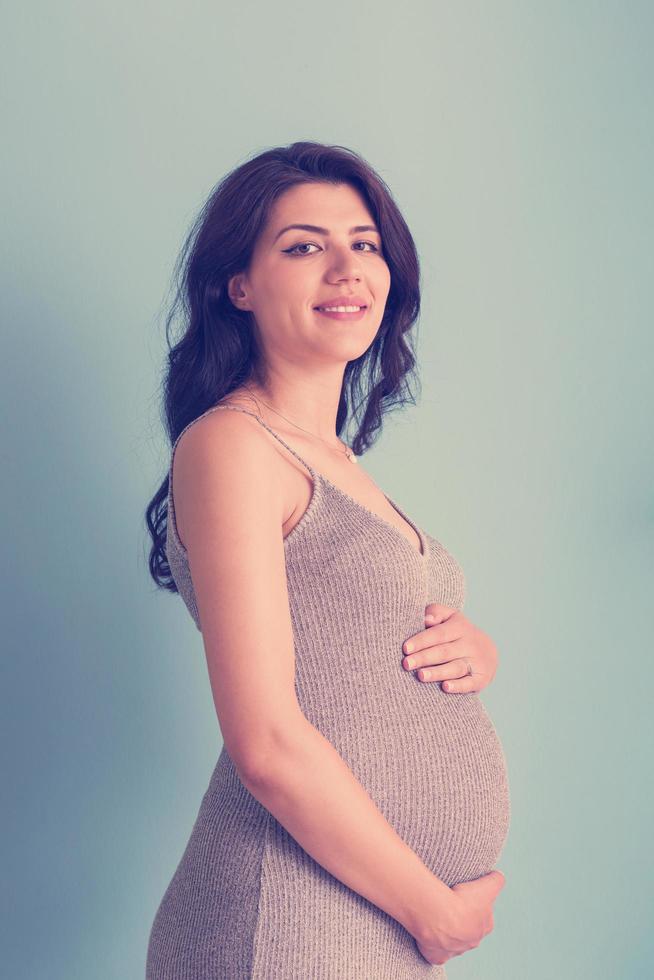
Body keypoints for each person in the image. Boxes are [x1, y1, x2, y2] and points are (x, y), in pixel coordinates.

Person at [144, 140, 510, 978]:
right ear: (237, 285)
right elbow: (267, 743)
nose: (347, 267)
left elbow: (350, 639)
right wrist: (435, 911)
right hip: (288, 917)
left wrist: (474, 653)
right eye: (304, 245)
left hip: (367, 915)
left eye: (366, 243)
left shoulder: (335, 462)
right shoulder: (232, 446)